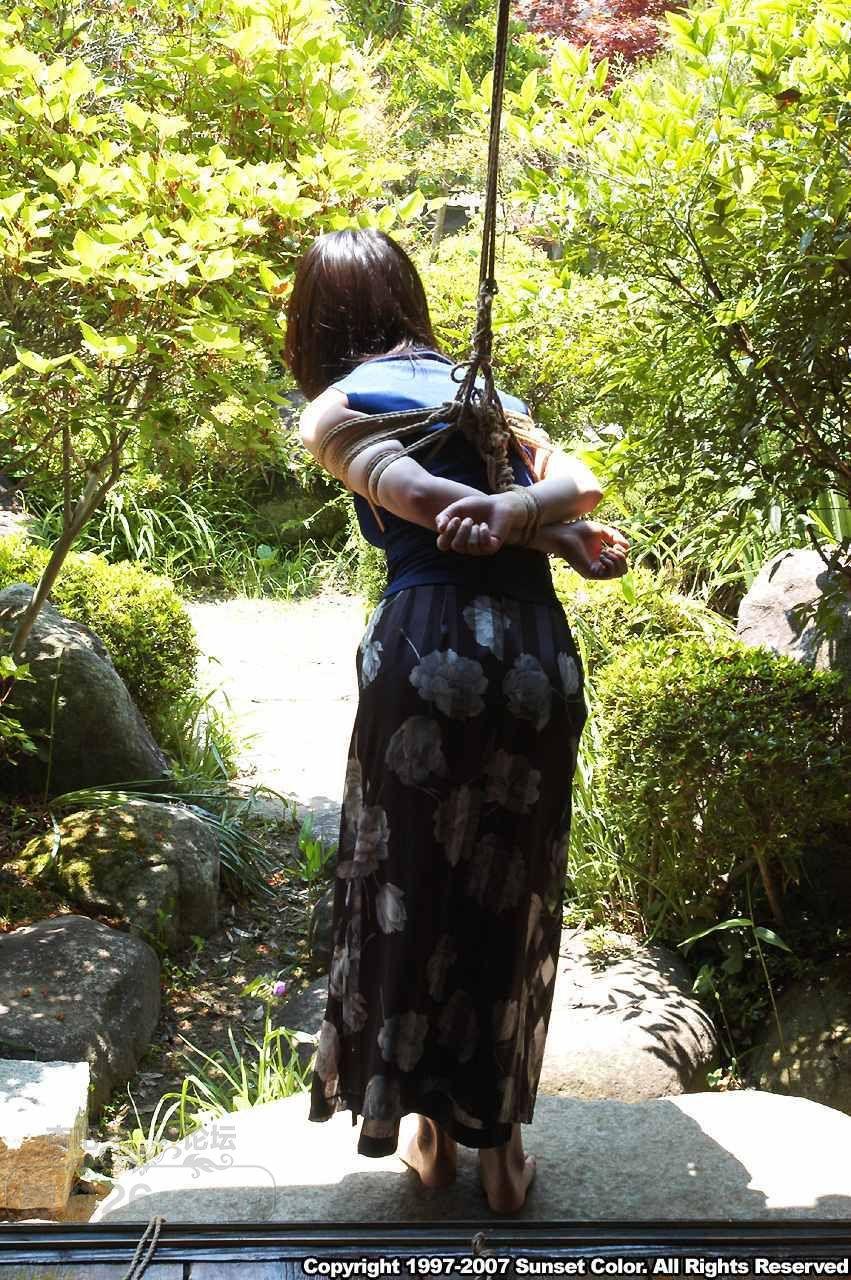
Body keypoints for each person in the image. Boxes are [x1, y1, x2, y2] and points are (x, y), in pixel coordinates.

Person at [283, 228, 629, 1215]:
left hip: (428, 647)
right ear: (407, 297)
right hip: (533, 653)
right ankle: (505, 1149)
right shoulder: (488, 398)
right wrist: (550, 530)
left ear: (316, 320)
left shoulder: (337, 405)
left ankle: (429, 1136)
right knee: (513, 881)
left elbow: (419, 497)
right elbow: (575, 482)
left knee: (411, 879)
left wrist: (508, 518)